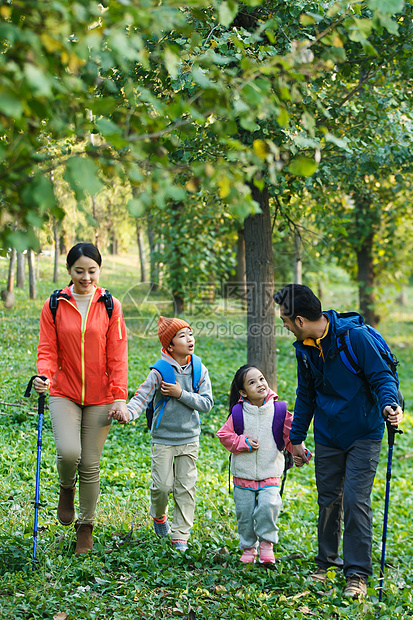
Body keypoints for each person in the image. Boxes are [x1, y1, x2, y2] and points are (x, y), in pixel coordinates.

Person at [273, 284, 403, 597]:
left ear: (301, 320)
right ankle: (326, 562)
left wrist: (390, 404)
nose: (285, 327)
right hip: (329, 433)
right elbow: (306, 394)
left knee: (355, 501)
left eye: (286, 322)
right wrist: (298, 437)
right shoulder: (304, 348)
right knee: (328, 500)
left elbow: (382, 377)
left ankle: (356, 574)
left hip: (364, 432)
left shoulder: (354, 338)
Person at [33, 242, 129, 555]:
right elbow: (47, 348)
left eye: (91, 271)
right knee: (68, 452)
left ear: (99, 270)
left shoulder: (110, 305)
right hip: (64, 391)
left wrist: (119, 396)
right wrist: (44, 375)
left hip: (102, 396)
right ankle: (65, 488)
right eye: (79, 271)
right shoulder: (55, 304)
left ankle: (85, 527)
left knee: (90, 463)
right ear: (69, 271)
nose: (85, 277)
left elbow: (118, 355)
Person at [112, 316, 213, 551]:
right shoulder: (159, 371)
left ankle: (180, 536)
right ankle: (159, 516)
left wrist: (181, 393)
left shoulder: (199, 369)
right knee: (162, 487)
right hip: (163, 439)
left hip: (189, 439)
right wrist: (127, 413)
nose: (189, 339)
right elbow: (142, 397)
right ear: (169, 345)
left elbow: (207, 403)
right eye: (182, 336)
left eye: (190, 333)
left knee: (185, 488)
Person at [217, 364, 310, 565]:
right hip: (243, 474)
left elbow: (292, 437)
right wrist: (242, 442)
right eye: (252, 382)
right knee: (245, 515)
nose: (260, 384)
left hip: (270, 471)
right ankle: (249, 547)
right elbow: (224, 435)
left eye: (261, 379)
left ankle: (267, 544)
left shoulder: (280, 411)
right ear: (242, 392)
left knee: (269, 506)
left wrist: (300, 451)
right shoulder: (238, 413)